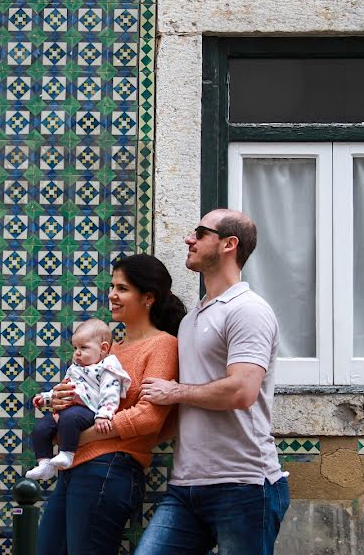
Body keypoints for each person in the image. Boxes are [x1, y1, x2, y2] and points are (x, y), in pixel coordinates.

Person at [137, 209, 290, 555]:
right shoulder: (193, 319)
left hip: (244, 484)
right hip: (186, 485)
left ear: (229, 244)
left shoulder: (247, 310)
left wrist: (174, 391)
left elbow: (242, 391)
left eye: (200, 233)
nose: (189, 239)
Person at [35, 254, 186, 555]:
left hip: (110, 467)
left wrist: (79, 437)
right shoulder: (109, 349)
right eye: (112, 286)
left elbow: (148, 418)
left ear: (148, 298)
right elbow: (84, 401)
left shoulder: (163, 345)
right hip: (76, 467)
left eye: (122, 288)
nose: (112, 296)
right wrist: (57, 402)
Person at [26, 318, 131, 480]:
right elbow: (64, 387)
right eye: (75, 348)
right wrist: (46, 398)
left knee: (70, 417)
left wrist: (104, 414)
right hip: (69, 409)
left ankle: (67, 454)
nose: (77, 352)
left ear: (103, 349)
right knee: (41, 428)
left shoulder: (106, 368)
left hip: (89, 410)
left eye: (83, 347)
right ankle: (45, 464)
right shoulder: (76, 368)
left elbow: (110, 393)